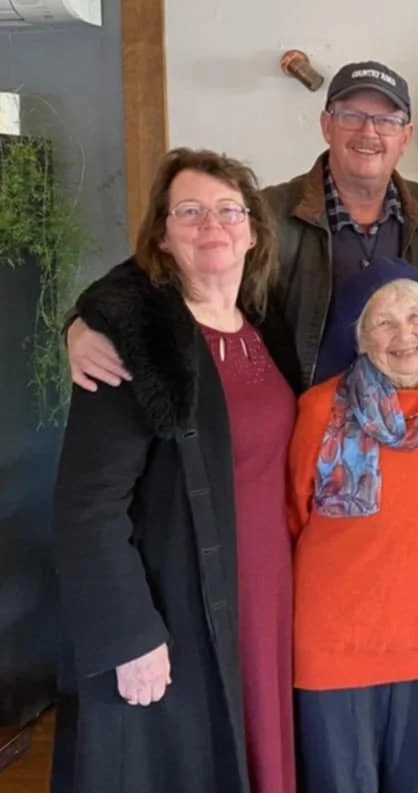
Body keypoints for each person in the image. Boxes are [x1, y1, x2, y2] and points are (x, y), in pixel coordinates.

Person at [64, 59, 418, 390]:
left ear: (405, 136)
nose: (369, 132)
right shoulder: (267, 213)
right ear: (326, 125)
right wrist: (82, 320)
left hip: (409, 435)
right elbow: (162, 266)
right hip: (304, 435)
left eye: (385, 120)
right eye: (351, 116)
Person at [50, 148, 302, 793]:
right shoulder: (134, 340)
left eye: (227, 211)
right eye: (188, 211)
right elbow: (89, 505)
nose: (211, 225)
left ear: (253, 229)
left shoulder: (264, 324)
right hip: (179, 599)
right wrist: (128, 634)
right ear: (162, 233)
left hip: (265, 595)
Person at [286, 257, 418, 793]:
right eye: (386, 321)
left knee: (413, 781)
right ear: (360, 334)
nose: (405, 335)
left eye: (416, 318)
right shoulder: (319, 407)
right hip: (334, 639)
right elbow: (292, 515)